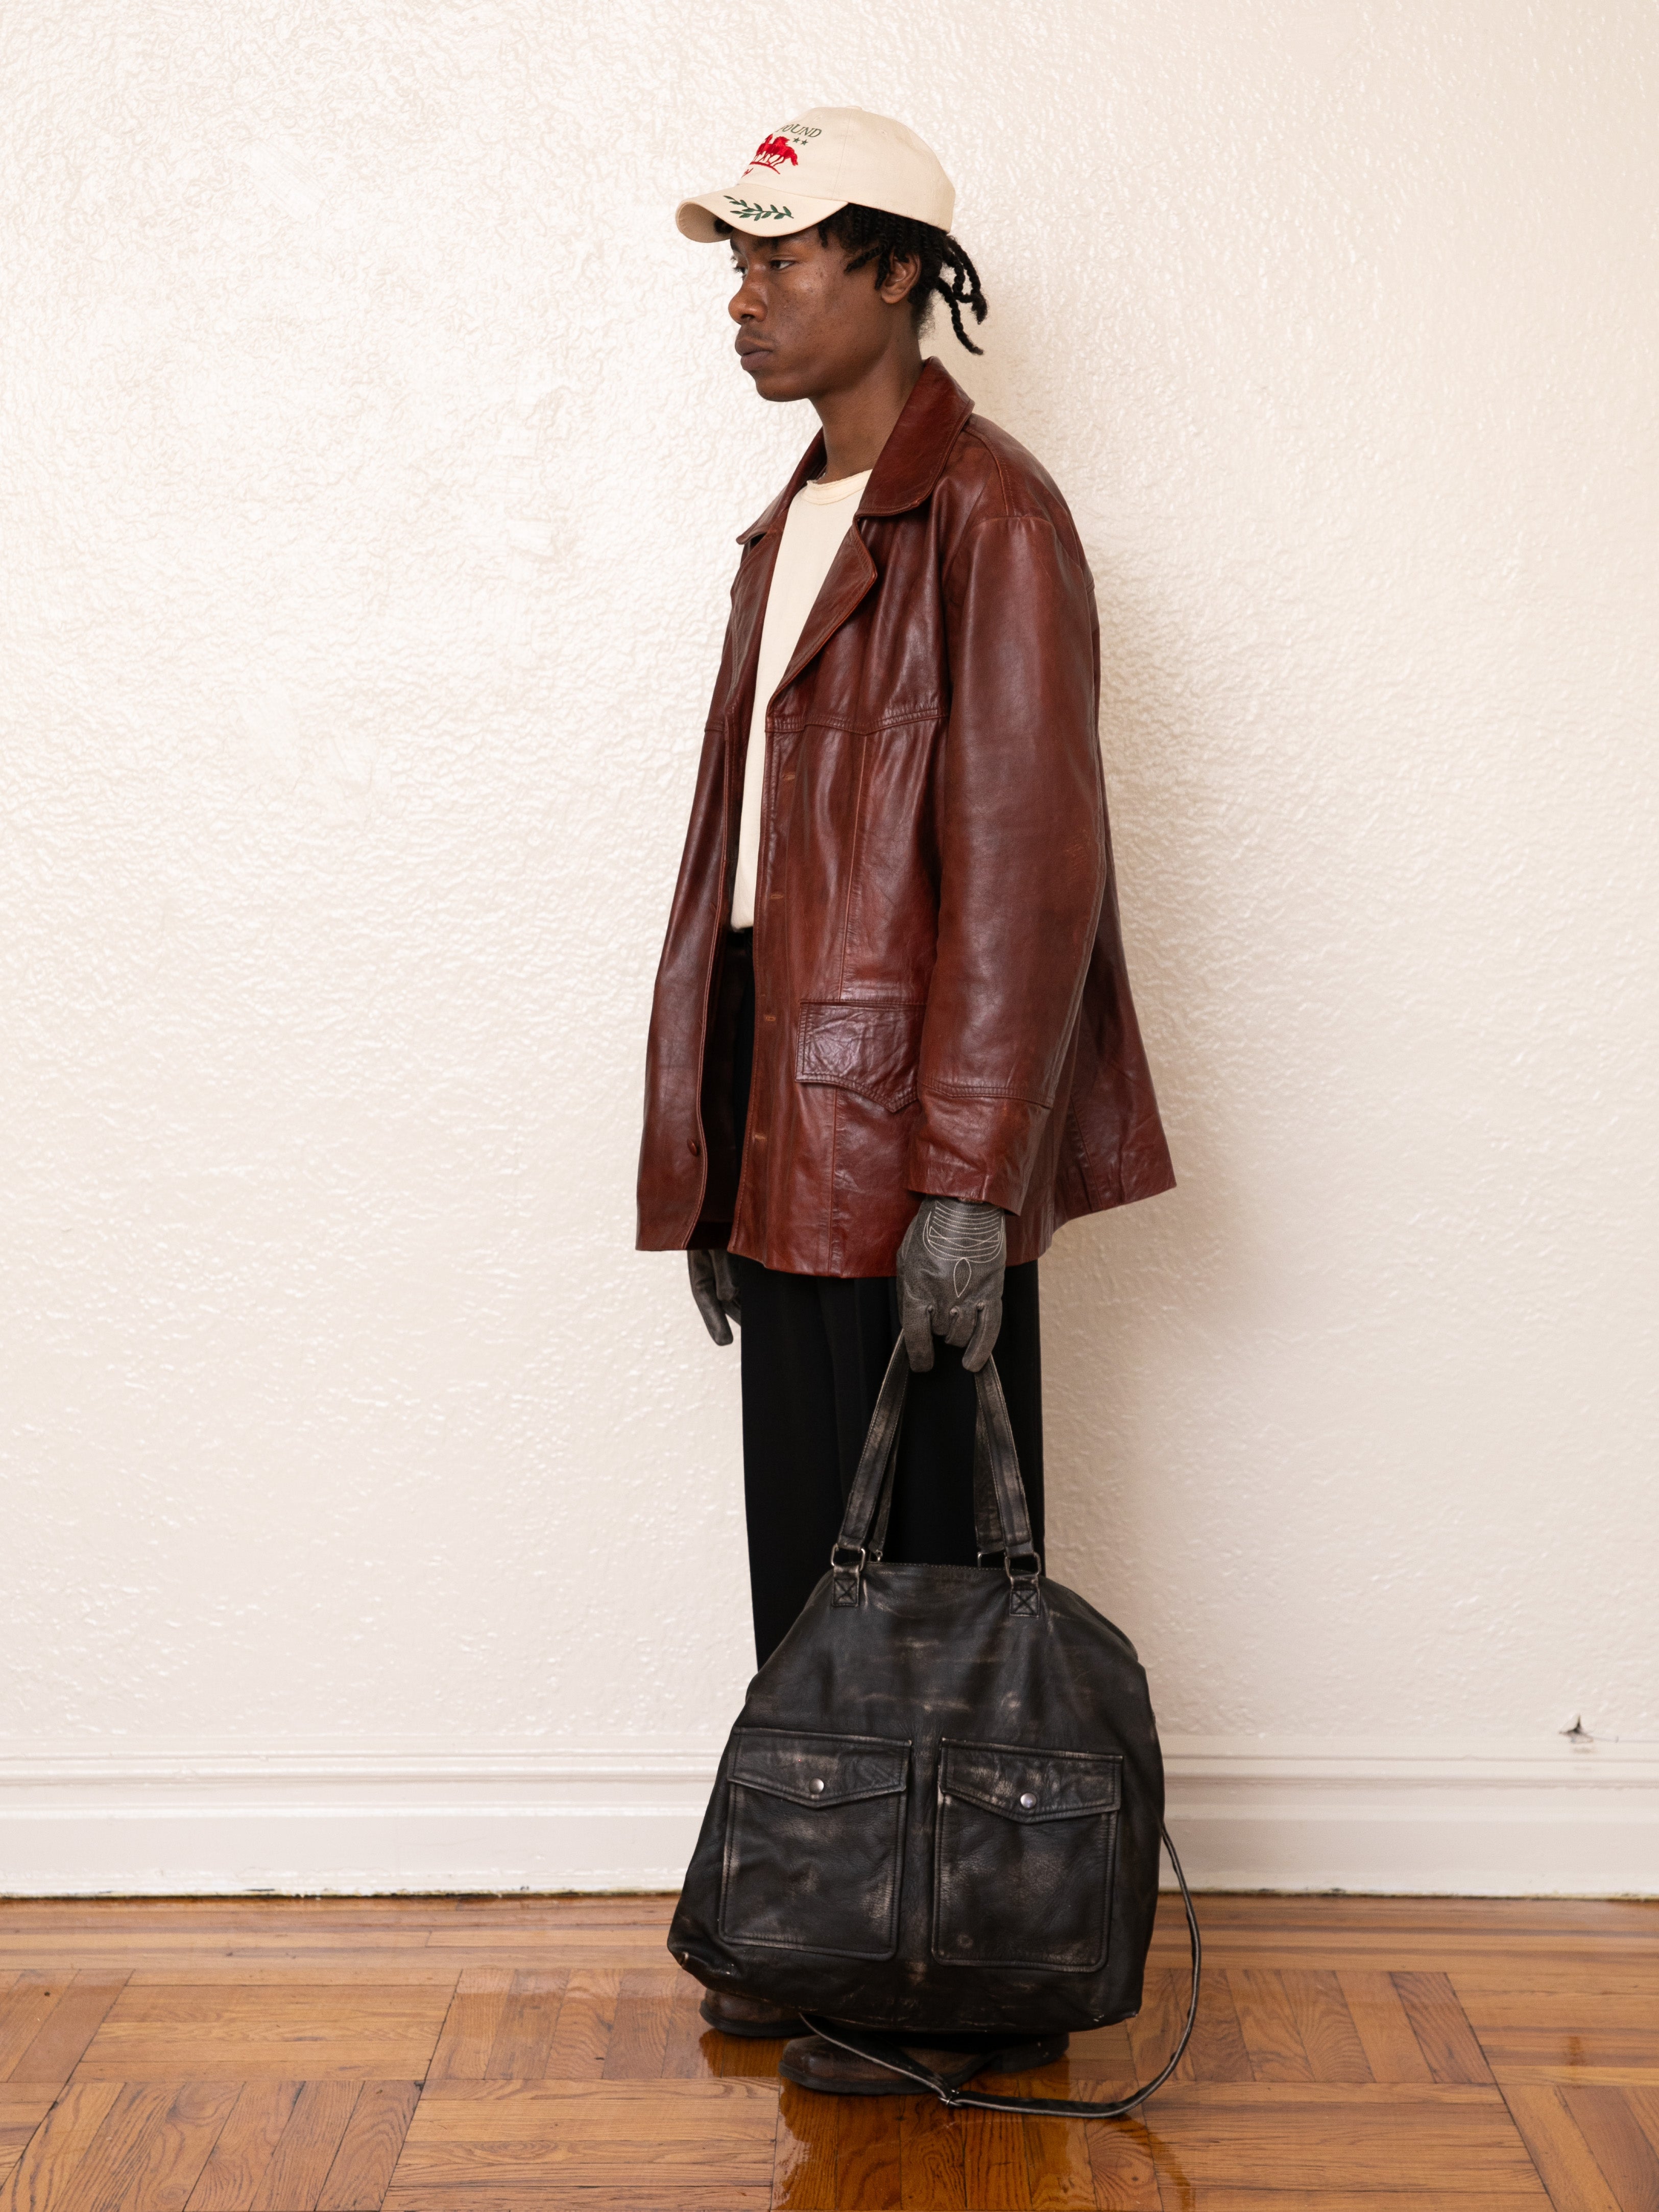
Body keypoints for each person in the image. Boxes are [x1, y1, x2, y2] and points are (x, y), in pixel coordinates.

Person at [636, 107, 1174, 2095]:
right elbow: (759, 889)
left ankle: (975, 1983)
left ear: (892, 274)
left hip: (918, 1128)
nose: (746, 295)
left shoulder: (994, 520)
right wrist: (712, 1153)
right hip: (792, 1104)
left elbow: (1031, 880)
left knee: (938, 1559)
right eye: (739, 259)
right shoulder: (795, 526)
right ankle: (830, 1910)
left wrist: (970, 1179)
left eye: (782, 257)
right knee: (821, 1555)